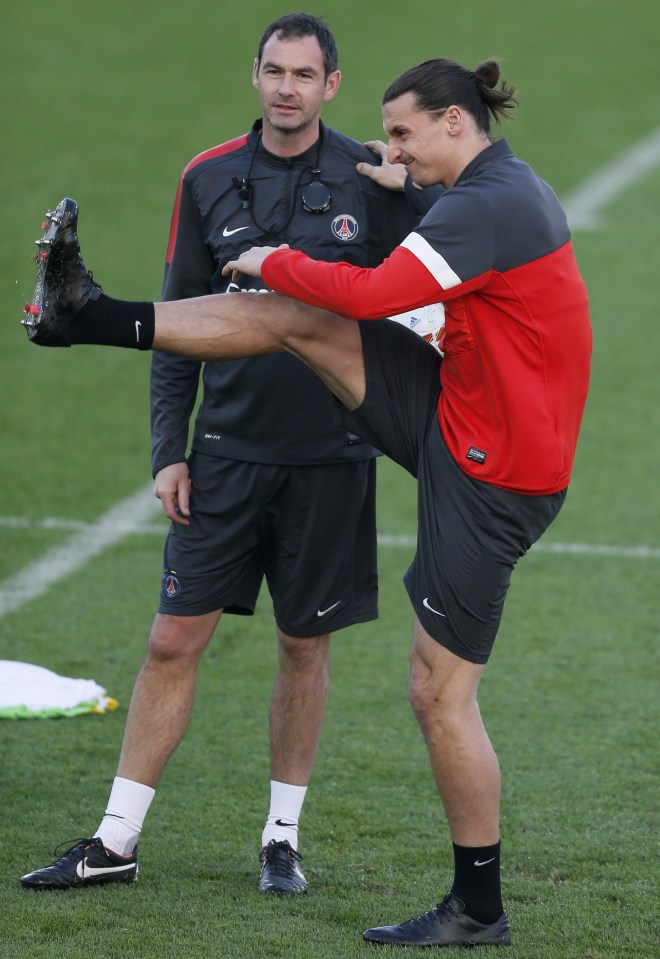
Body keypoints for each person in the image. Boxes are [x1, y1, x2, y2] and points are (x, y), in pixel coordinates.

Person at [21, 55, 591, 949]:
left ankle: (479, 907)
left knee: (438, 694)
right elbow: (411, 236)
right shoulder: (496, 182)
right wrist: (395, 182)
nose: (390, 149)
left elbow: (372, 290)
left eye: (403, 133)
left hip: (491, 475)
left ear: (453, 122)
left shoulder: (489, 206)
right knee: (298, 320)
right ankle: (83, 313)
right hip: (461, 412)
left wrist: (269, 256)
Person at [19, 14, 429, 897]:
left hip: (332, 455)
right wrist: (171, 448)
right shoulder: (206, 177)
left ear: (331, 84)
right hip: (226, 454)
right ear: (255, 77)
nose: (286, 87)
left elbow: (441, 273)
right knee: (172, 640)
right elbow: (178, 316)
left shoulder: (374, 175)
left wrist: (414, 189)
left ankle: (282, 838)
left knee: (303, 646)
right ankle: (116, 838)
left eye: (303, 74)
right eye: (273, 71)